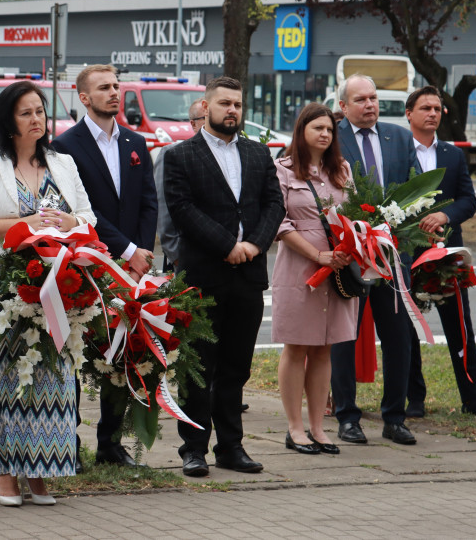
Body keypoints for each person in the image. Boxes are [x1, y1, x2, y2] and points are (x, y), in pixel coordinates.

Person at [0, 80, 95, 506]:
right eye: (26, 113)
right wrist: (24, 224)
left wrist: (65, 222)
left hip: (58, 282)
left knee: (52, 377)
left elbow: (88, 220)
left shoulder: (62, 162)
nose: (36, 119)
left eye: (40, 111)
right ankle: (7, 473)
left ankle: (41, 472)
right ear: (8, 121)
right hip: (3, 283)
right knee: (7, 378)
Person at [164, 76, 284, 477]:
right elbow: (182, 209)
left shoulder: (257, 153)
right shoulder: (182, 155)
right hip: (203, 276)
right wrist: (226, 246)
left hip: (248, 276)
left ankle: (231, 447)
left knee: (236, 368)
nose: (232, 110)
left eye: (237, 104)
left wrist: (254, 245)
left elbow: (273, 203)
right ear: (206, 106)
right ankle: (193, 448)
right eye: (224, 103)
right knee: (198, 367)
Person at [51, 64, 158, 470]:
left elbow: (149, 200)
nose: (114, 93)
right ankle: (70, 444)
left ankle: (110, 443)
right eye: (104, 88)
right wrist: (127, 249)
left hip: (132, 267)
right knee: (79, 355)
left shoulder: (135, 141)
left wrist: (142, 254)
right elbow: (85, 210)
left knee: (123, 352)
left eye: (117, 86)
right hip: (88, 262)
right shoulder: (65, 146)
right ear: (83, 97)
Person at [331, 74, 421, 446]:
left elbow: (416, 186)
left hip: (391, 252)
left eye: (374, 98)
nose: (370, 105)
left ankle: (394, 418)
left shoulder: (398, 137)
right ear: (343, 106)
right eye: (361, 99)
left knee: (398, 336)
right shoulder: (330, 136)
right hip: (349, 251)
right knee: (345, 336)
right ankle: (347, 417)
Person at [403, 86, 476, 419]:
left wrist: (445, 216)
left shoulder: (453, 155)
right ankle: (414, 397)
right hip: (407, 253)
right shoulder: (398, 152)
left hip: (447, 254)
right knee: (408, 328)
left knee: (460, 326)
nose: (432, 113)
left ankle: (472, 398)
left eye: (438, 108)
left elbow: (469, 200)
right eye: (425, 107)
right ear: (409, 113)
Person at [272, 103, 354, 456]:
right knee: (297, 347)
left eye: (329, 129)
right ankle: (295, 428)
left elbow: (356, 214)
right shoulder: (283, 170)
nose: (324, 134)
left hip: (338, 270)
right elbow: (279, 224)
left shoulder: (342, 170)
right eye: (317, 127)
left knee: (324, 348)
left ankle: (319, 428)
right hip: (299, 270)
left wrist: (354, 248)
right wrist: (317, 255)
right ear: (301, 130)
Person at [156, 98, 206, 271]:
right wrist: (176, 255)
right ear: (193, 124)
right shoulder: (172, 153)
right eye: (204, 119)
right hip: (184, 257)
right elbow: (163, 209)